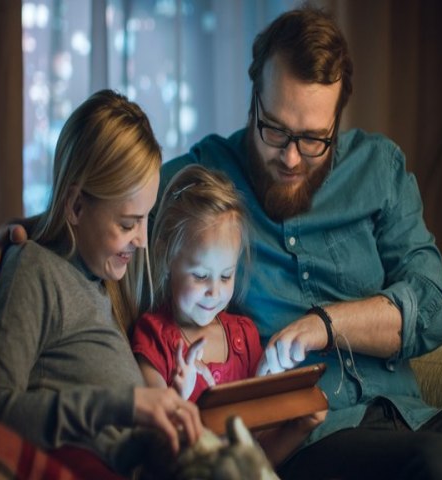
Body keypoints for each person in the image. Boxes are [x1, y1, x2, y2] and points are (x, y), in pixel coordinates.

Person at [0, 7, 442, 480]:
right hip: (309, 436)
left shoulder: (379, 168)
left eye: (313, 139)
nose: (291, 157)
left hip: (410, 411)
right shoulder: (202, 178)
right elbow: (102, 198)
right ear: (253, 97)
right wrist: (20, 236)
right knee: (434, 466)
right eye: (273, 129)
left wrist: (321, 325)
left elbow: (432, 306)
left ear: (338, 122)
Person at [0, 89, 203, 478]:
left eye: (146, 218)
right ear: (76, 206)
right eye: (128, 224)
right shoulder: (35, 270)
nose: (142, 239)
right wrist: (125, 405)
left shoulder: (107, 282)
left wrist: (165, 414)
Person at [131, 163, 326, 466]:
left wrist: (298, 426)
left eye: (225, 276)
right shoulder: (153, 337)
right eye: (200, 275)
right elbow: (158, 451)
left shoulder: (244, 337)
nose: (214, 291)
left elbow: (257, 458)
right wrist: (178, 398)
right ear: (167, 256)